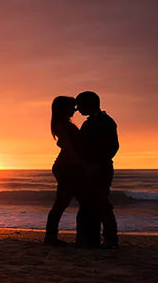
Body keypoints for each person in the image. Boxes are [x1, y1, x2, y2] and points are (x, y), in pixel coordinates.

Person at [75, 91, 119, 249]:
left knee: (100, 203)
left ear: (89, 104)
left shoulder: (103, 122)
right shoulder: (95, 122)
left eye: (79, 105)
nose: (77, 109)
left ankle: (108, 239)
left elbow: (112, 147)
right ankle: (91, 239)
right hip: (95, 167)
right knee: (92, 204)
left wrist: (95, 164)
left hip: (98, 168)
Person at [44, 96, 86, 246]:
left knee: (66, 201)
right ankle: (51, 237)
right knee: (63, 202)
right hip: (66, 167)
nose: (75, 110)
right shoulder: (62, 125)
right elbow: (69, 148)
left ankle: (52, 237)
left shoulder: (64, 124)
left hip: (67, 166)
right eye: (72, 106)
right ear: (63, 108)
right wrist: (82, 164)